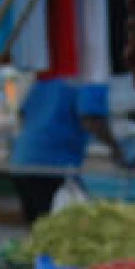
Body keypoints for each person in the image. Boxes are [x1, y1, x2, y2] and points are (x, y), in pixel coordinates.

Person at [10, 76, 116, 223]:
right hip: (52, 165)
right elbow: (91, 119)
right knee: (58, 227)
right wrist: (117, 149)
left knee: (38, 227)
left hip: (22, 161)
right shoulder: (92, 79)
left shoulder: (47, 79)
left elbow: (22, 113)